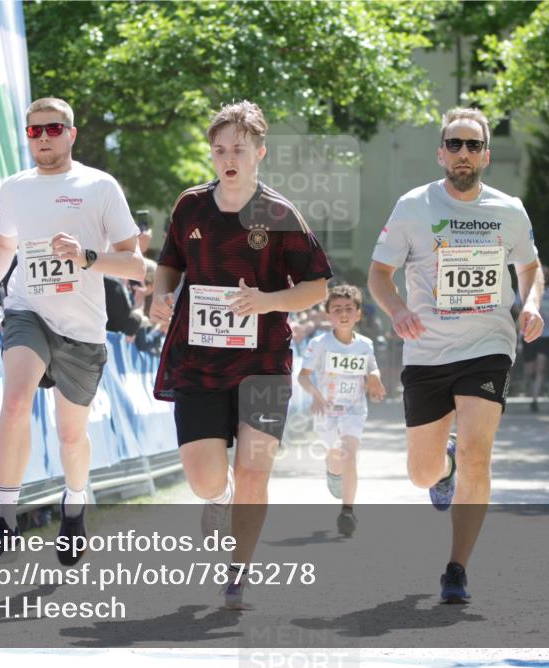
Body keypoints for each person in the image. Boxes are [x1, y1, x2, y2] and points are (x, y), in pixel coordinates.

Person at [149, 100, 331, 609]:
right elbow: (169, 263)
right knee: (204, 478)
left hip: (264, 365)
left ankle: (239, 572)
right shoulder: (190, 207)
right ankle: (218, 497)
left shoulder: (279, 214)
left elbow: (316, 286)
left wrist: (268, 301)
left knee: (254, 470)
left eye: (239, 149)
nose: (229, 158)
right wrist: (161, 296)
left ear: (259, 153)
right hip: (198, 363)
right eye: (220, 150)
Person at [368, 107, 543, 604]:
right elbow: (378, 275)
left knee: (476, 454)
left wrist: (530, 303)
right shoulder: (413, 206)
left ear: (486, 154)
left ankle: (456, 568)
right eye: (454, 144)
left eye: (473, 145)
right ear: (441, 153)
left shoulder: (509, 210)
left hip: (488, 345)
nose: (463, 153)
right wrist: (398, 310)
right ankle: (441, 470)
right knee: (421, 473)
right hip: (427, 350)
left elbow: (530, 267)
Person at [0, 97, 144, 567]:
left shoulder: (99, 185)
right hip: (27, 310)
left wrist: (86, 257)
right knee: (15, 401)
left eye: (53, 129)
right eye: (34, 131)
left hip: (82, 326)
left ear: (71, 133)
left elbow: (135, 264)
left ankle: (75, 502)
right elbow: (4, 243)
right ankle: (5, 520)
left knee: (70, 436)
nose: (43, 138)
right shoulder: (15, 187)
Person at [297, 284, 385, 537]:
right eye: (337, 309)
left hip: (354, 410)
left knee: (349, 454)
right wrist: (316, 397)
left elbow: (372, 368)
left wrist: (375, 378)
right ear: (328, 315)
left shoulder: (365, 345)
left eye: (349, 308)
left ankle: (347, 511)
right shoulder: (320, 344)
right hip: (326, 411)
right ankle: (333, 472)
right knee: (336, 457)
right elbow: (303, 376)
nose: (343, 314)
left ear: (358, 313)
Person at [523, 265, 549, 412]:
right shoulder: (526, 290)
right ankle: (533, 387)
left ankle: (535, 399)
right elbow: (516, 307)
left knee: (541, 367)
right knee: (529, 370)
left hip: (546, 334)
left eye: (546, 275)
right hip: (529, 333)